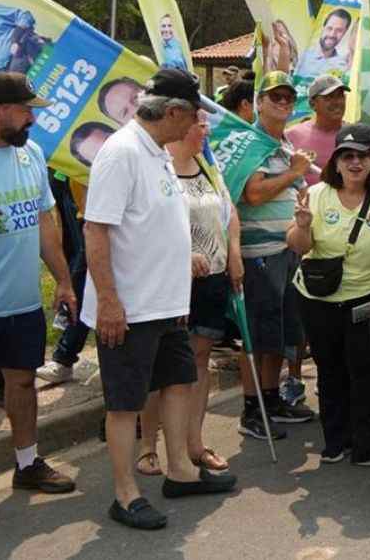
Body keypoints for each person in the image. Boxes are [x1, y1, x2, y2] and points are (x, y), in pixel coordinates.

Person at [81, 68, 237, 530]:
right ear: (171, 112)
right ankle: (125, 494)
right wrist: (109, 301)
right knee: (126, 402)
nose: (195, 125)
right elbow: (96, 230)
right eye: (192, 116)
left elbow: (149, 221)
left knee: (178, 383)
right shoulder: (122, 153)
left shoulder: (157, 153)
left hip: (167, 302)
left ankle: (181, 471)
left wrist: (181, 254)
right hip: (131, 307)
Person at [0, 73, 77, 523]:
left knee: (21, 383)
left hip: (23, 303)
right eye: (26, 110)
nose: (33, 119)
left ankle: (27, 463)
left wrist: (64, 281)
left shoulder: (30, 153)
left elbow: (44, 223)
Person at [288, 124, 370, 469]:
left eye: (362, 156)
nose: (355, 163)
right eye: (347, 156)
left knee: (364, 372)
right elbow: (298, 247)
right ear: (336, 162)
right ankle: (335, 442)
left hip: (365, 299)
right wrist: (303, 225)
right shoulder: (315, 194)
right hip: (316, 299)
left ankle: (365, 447)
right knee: (329, 370)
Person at [238, 71, 316, 440]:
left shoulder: (282, 144)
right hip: (259, 253)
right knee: (256, 336)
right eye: (275, 97)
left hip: (286, 250)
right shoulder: (251, 143)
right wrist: (294, 173)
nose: (283, 103)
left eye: (288, 98)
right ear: (259, 102)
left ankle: (270, 400)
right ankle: (251, 409)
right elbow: (253, 194)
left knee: (277, 333)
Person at [164, 109, 243, 474]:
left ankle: (194, 444)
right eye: (201, 123)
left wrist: (234, 254)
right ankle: (155, 449)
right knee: (167, 363)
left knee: (200, 359)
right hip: (172, 281)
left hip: (213, 278)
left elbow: (229, 213)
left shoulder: (208, 166)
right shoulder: (160, 169)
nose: (207, 129)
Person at [286, 74, 349, 187]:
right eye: (329, 97)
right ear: (312, 104)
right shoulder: (291, 136)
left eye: (340, 96)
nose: (336, 102)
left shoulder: (358, 136)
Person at [296, 9, 355, 80]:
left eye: (339, 30)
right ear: (323, 27)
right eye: (329, 28)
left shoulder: (343, 66)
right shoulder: (301, 56)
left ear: (345, 33)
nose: (332, 34)